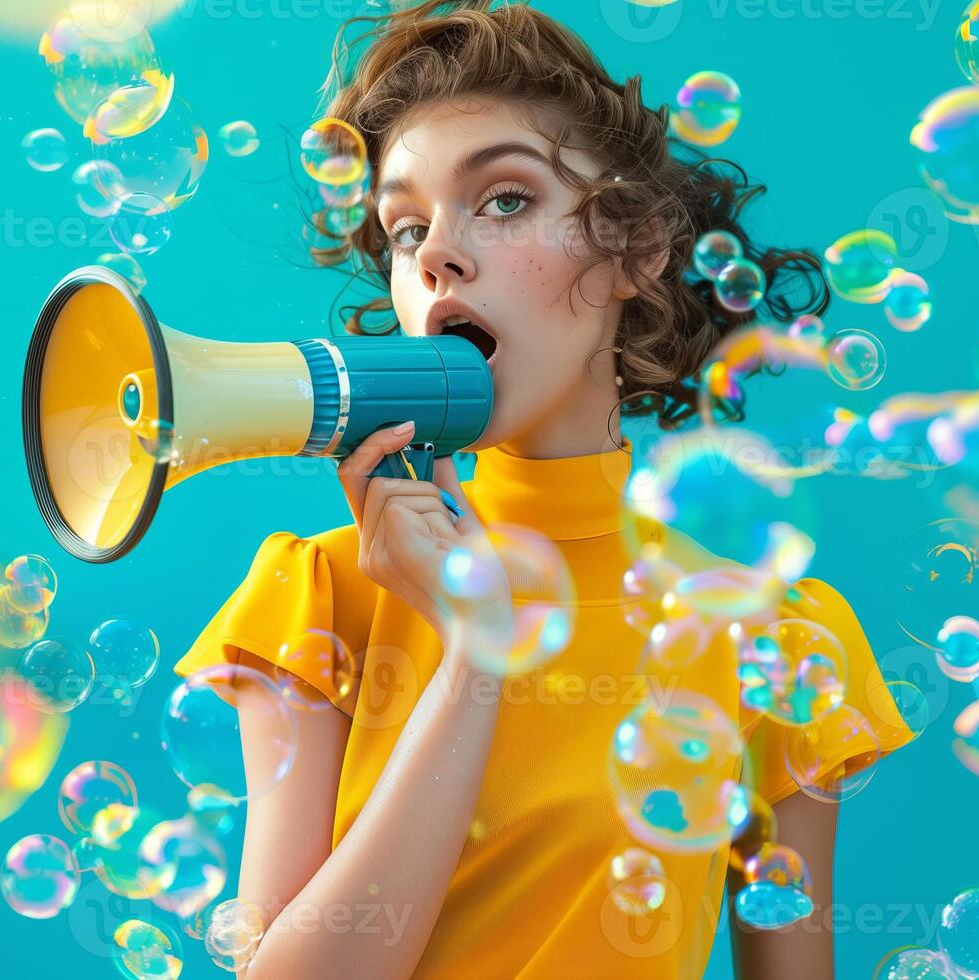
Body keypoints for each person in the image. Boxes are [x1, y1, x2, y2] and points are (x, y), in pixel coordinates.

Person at [174, 2, 910, 976]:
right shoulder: (324, 594)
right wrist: (473, 651)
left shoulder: (774, 632)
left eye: (505, 198)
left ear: (633, 250)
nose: (435, 250)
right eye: (403, 226)